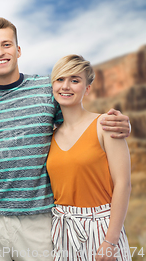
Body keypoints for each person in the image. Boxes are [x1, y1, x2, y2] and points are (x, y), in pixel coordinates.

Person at [0, 17, 131, 261]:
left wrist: (121, 123)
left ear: (18, 50)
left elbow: (78, 118)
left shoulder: (48, 88)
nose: (0, 52)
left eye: (7, 44)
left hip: (38, 219)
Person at [47, 55, 131, 261]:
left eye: (75, 80)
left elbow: (123, 184)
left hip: (102, 228)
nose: (66, 86)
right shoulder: (49, 136)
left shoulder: (105, 124)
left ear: (87, 88)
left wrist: (110, 242)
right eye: (60, 79)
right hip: (63, 230)